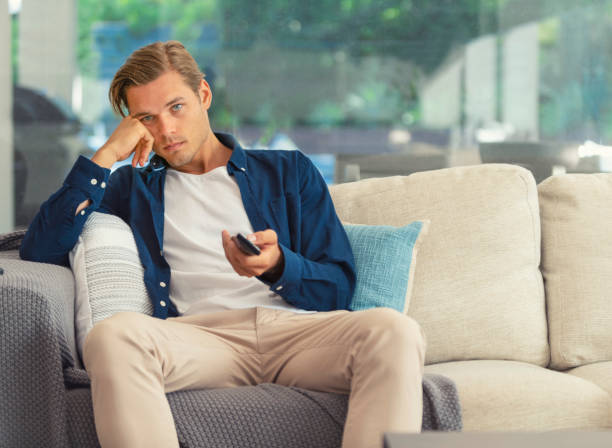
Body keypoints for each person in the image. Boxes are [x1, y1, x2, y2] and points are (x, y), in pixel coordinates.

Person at [20, 41, 425, 448]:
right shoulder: (132, 188)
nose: (167, 131)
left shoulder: (288, 171)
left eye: (176, 107)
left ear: (204, 95)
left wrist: (278, 266)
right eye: (148, 118)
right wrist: (106, 155)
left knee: (394, 330)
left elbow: (337, 286)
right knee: (113, 337)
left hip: (296, 335)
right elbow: (42, 247)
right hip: (198, 339)